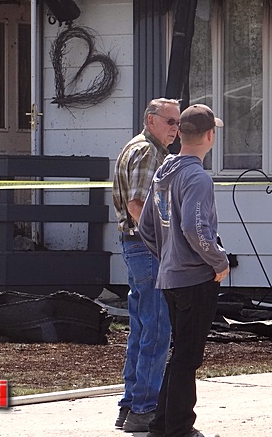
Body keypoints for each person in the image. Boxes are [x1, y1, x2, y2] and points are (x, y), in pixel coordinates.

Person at [138, 103, 230, 437]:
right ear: (210, 136)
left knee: (180, 354)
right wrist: (219, 261)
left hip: (171, 277)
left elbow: (145, 227)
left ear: (180, 134)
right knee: (188, 357)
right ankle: (179, 428)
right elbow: (195, 228)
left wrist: (167, 257)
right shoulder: (197, 177)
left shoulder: (164, 172)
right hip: (195, 279)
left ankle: (162, 423)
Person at [112, 98, 181, 432]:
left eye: (178, 123)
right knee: (156, 330)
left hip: (133, 246)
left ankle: (130, 405)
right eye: (170, 122)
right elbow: (137, 204)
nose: (175, 129)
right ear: (151, 120)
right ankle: (144, 408)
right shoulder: (149, 152)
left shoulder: (134, 146)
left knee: (141, 328)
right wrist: (161, 243)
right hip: (146, 248)